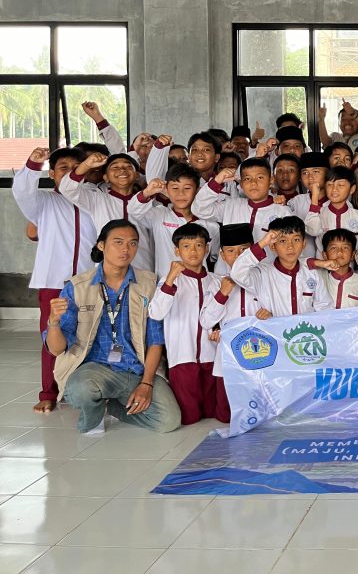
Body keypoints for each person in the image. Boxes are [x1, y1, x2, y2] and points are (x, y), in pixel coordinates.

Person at [43, 219, 180, 434]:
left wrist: (146, 384)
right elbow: (57, 349)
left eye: (132, 243)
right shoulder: (78, 287)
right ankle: (94, 413)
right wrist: (53, 322)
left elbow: (155, 340)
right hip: (94, 370)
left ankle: (113, 405)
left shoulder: (149, 283)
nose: (126, 249)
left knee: (168, 420)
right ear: (101, 245)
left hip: (136, 368)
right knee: (81, 389)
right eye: (118, 242)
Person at [13, 147, 96, 414]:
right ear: (52, 174)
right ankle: (49, 392)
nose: (70, 173)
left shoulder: (93, 199)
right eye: (63, 168)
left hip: (90, 280)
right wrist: (32, 164)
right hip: (53, 281)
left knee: (90, 334)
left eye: (75, 168)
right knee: (52, 336)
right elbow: (21, 191)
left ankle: (87, 389)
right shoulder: (43, 202)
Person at [148, 224, 220, 425]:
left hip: (212, 355)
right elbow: (156, 313)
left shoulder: (216, 281)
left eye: (199, 245)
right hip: (182, 357)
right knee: (189, 418)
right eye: (186, 246)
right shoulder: (170, 280)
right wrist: (171, 278)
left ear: (207, 248)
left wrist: (219, 328)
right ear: (177, 251)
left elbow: (223, 314)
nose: (193, 251)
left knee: (213, 414)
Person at [199, 224, 268, 422]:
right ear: (221, 254)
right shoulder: (216, 282)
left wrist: (269, 316)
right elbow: (206, 320)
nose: (238, 256)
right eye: (231, 251)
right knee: (226, 415)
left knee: (262, 411)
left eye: (244, 250)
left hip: (260, 353)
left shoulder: (264, 277)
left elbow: (278, 309)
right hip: (228, 355)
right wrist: (223, 293)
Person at [129, 163, 220, 280]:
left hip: (199, 284)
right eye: (175, 188)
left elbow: (214, 257)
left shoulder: (210, 224)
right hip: (165, 283)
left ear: (197, 190)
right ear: (166, 190)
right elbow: (133, 211)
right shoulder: (159, 215)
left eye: (187, 188)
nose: (180, 193)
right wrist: (147, 192)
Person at [231, 216, 333, 316]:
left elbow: (325, 308)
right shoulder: (262, 274)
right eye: (283, 241)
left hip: (306, 328)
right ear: (272, 246)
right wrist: (263, 243)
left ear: (304, 244)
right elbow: (237, 273)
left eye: (296, 240)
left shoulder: (312, 273)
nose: (290, 246)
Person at [193, 157, 292, 253]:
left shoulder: (283, 212)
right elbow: (199, 209)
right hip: (231, 264)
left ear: (271, 180)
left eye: (260, 177)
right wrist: (216, 181)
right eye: (247, 178)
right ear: (241, 184)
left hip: (268, 264)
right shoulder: (230, 206)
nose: (253, 183)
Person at [306, 166, 358, 253]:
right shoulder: (318, 213)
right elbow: (313, 231)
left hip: (350, 262)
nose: (334, 189)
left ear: (352, 189)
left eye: (341, 185)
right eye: (330, 185)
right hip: (323, 261)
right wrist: (314, 198)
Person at [147, 131, 221, 188]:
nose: (199, 154)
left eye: (206, 150)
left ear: (216, 157)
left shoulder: (225, 183)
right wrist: (158, 149)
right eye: (195, 150)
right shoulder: (174, 180)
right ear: (189, 157)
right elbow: (153, 181)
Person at [317, 229, 358, 308]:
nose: (339, 252)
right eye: (334, 248)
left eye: (345, 247)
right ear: (325, 255)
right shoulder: (319, 279)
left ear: (353, 254)